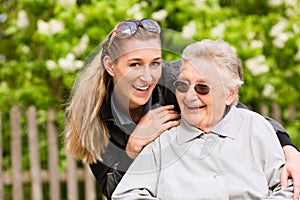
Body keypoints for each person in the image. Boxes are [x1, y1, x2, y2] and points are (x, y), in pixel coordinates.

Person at [63, 18, 300, 200]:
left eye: (155, 63)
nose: (147, 77)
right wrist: (133, 147)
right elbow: (114, 190)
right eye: (134, 64)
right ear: (110, 66)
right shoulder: (88, 116)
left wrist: (289, 151)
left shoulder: (177, 78)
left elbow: (235, 113)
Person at [112, 39, 294, 199]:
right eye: (183, 85)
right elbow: (127, 195)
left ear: (230, 93)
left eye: (203, 87)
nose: (189, 96)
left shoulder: (255, 128)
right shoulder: (162, 139)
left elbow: (288, 188)